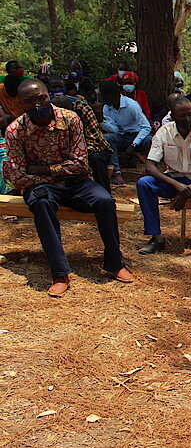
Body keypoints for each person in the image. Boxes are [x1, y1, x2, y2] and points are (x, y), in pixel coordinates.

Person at [3, 79, 132, 297]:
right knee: (41, 204)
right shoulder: (15, 130)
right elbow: (18, 176)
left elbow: (80, 164)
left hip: (76, 183)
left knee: (105, 201)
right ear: (20, 103)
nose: (37, 105)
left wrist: (43, 169)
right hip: (42, 187)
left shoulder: (70, 119)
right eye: (29, 101)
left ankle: (114, 263)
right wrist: (57, 172)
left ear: (49, 96)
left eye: (41, 98)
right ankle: (60, 273)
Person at [136, 96, 191, 258]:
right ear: (173, 116)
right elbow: (150, 166)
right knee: (144, 184)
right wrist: (176, 185)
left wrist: (188, 189)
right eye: (182, 116)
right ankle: (156, 238)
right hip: (172, 180)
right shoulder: (164, 132)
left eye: (190, 114)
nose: (188, 119)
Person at [50, 96, 114, 192]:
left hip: (92, 149)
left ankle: (104, 192)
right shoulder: (50, 114)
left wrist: (77, 154)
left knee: (96, 159)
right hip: (67, 151)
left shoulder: (84, 110)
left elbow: (94, 140)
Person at [99, 80, 152, 185]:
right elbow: (115, 130)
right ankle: (116, 171)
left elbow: (146, 127)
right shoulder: (107, 108)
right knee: (108, 138)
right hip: (122, 136)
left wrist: (134, 144)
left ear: (109, 96)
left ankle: (150, 170)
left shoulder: (132, 105)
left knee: (149, 141)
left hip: (137, 136)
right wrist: (101, 121)